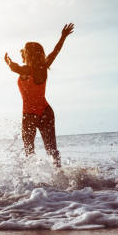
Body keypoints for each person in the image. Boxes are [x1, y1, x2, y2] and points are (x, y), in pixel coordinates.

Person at [4, 23, 74, 167]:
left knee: (29, 152)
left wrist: (8, 60)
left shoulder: (26, 71)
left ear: (27, 54)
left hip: (29, 115)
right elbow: (55, 51)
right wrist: (63, 37)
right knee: (52, 150)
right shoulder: (44, 66)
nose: (21, 53)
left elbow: (13, 67)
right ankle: (60, 178)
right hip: (46, 112)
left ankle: (34, 183)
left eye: (23, 51)